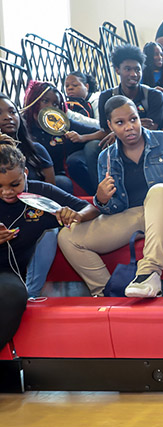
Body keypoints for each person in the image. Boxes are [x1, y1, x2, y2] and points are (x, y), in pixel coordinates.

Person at [58, 96, 163, 298]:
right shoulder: (106, 158)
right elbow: (114, 209)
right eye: (120, 123)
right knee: (68, 237)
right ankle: (106, 291)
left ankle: (148, 272)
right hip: (135, 215)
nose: (129, 127)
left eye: (133, 119)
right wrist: (102, 200)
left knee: (159, 191)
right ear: (109, 125)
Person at [0, 139, 97, 348]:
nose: (6, 192)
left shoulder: (41, 193)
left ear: (25, 173)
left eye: (14, 184)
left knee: (14, 295)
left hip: (8, 274)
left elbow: (90, 208)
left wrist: (75, 215)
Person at [76, 45, 163, 196]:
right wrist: (116, 133)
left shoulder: (154, 95)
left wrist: (117, 132)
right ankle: (102, 195)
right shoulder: (106, 96)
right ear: (117, 70)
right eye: (128, 69)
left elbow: (151, 127)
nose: (134, 74)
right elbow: (106, 130)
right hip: (115, 143)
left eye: (137, 69)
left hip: (146, 142)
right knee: (89, 150)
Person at [1, 94, 67, 297]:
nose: (7, 117)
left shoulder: (36, 149)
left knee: (47, 229)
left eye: (12, 111)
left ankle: (32, 292)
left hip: (33, 216)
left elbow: (49, 191)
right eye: (0, 113)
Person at [22, 81, 99, 196]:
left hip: (57, 175)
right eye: (45, 101)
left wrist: (82, 137)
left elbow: (103, 132)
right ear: (34, 100)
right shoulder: (22, 123)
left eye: (55, 104)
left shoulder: (62, 124)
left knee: (63, 183)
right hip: (28, 175)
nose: (50, 107)